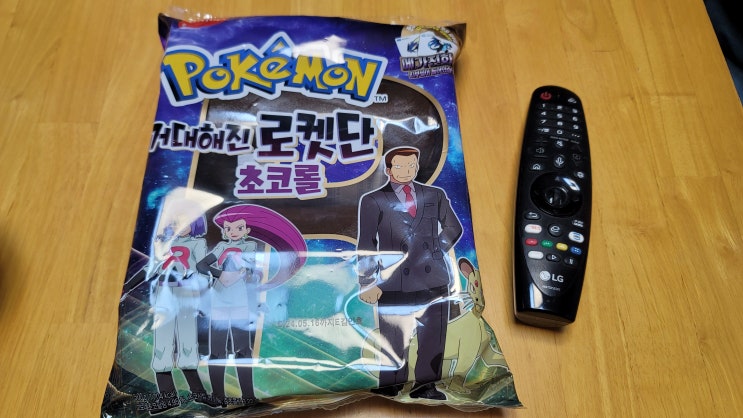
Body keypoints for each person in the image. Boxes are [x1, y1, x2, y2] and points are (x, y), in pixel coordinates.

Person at [356, 146, 463, 400]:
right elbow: (367, 243)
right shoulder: (373, 200)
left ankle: (425, 386)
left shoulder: (434, 194)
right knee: (392, 337)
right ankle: (390, 384)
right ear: (388, 169)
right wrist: (367, 282)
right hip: (392, 281)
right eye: (400, 166)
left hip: (433, 278)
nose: (407, 171)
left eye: (412, 165)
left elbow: (453, 227)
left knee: (433, 337)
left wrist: (435, 250)